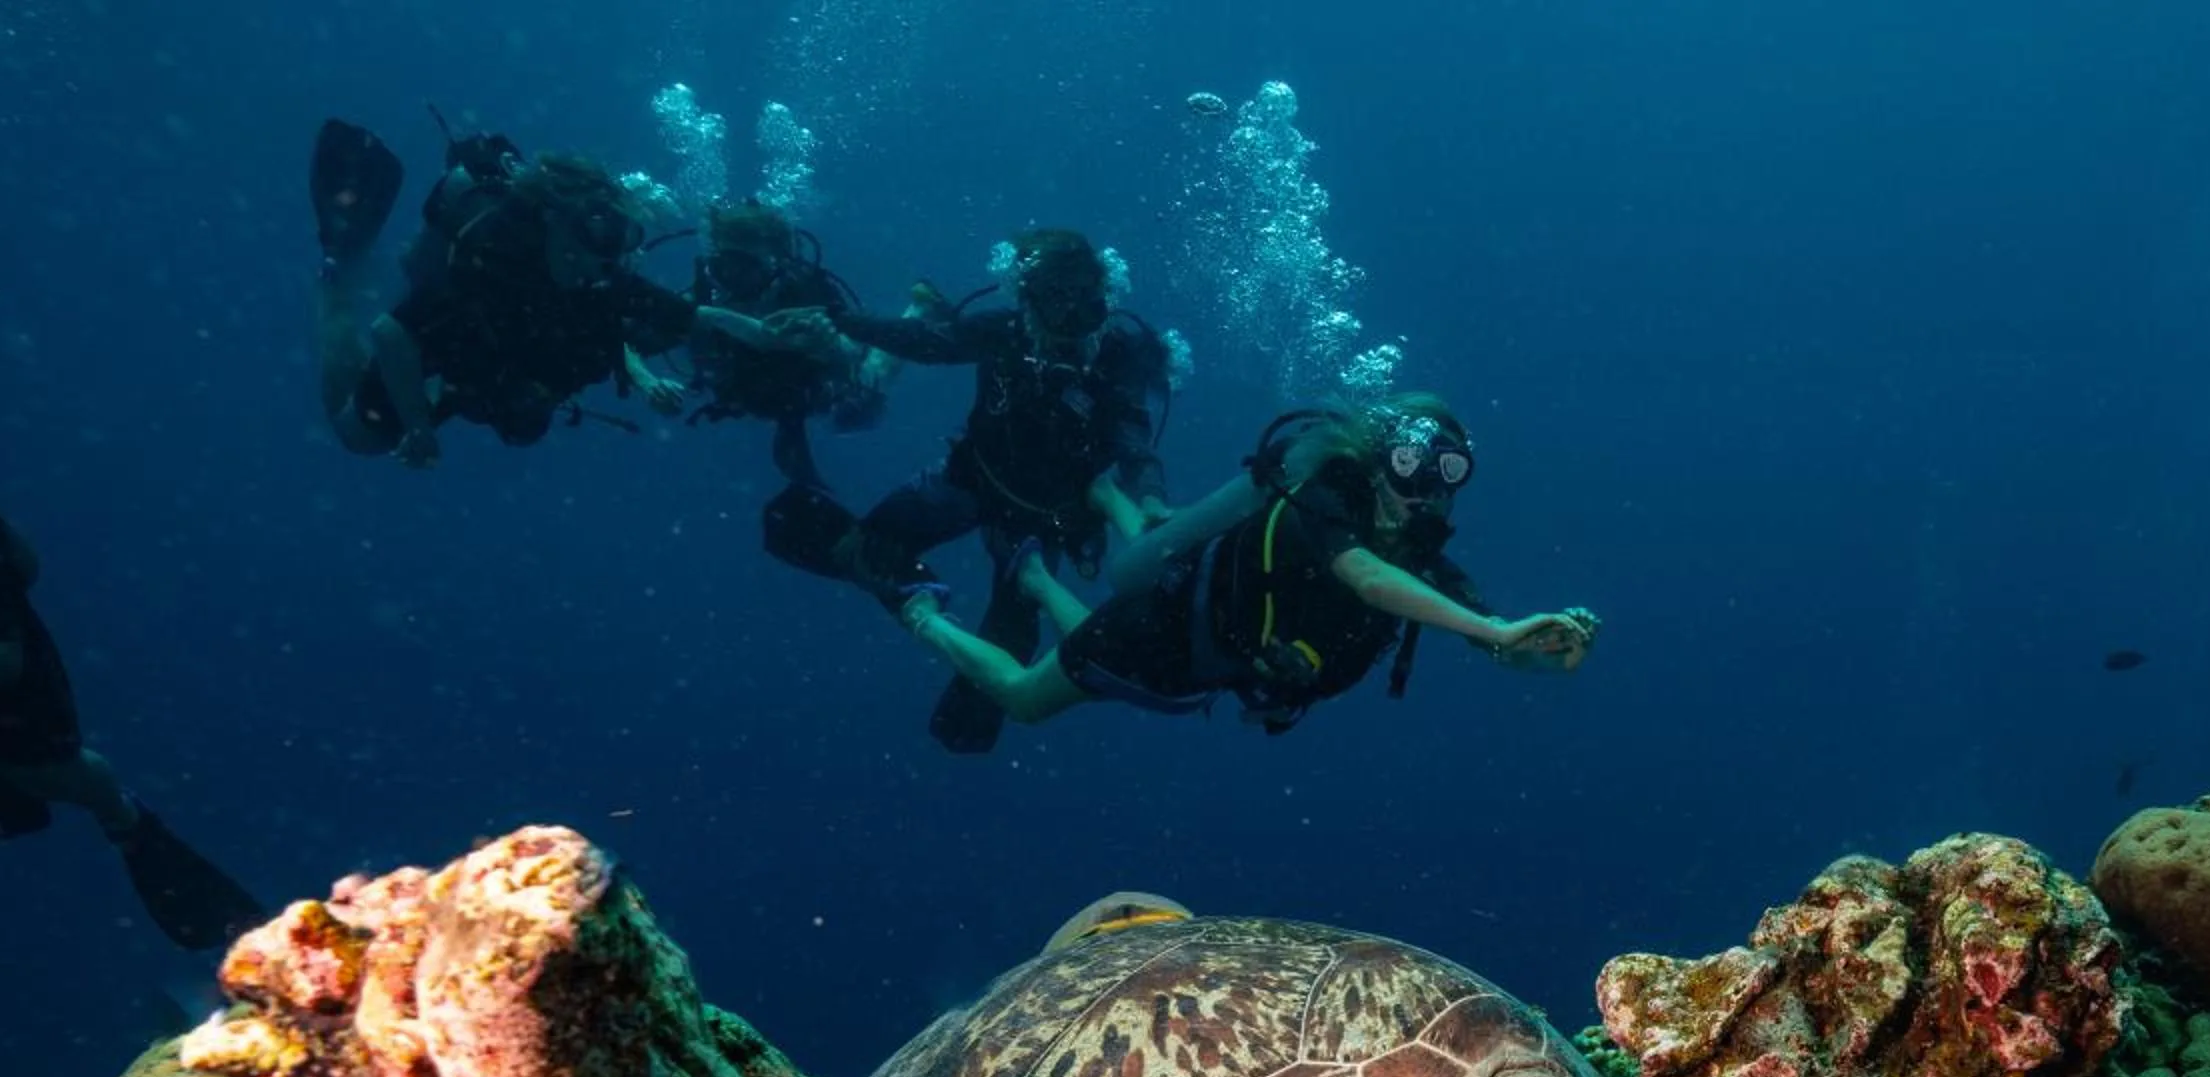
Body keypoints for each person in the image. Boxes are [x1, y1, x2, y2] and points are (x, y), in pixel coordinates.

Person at [897, 398, 1596, 741]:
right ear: (1375, 459)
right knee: (1026, 698)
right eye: (1407, 466)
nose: (1420, 491)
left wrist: (1531, 646)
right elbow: (1366, 578)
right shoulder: (1324, 500)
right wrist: (1493, 630)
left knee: (1101, 671)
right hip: (1153, 634)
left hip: (1202, 674)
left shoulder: (1420, 558)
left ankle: (1038, 576)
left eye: (1445, 476)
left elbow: (1491, 636)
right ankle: (924, 613)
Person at [756, 228, 1176, 751]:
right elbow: (927, 342)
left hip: (1046, 517)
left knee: (997, 667)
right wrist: (839, 319)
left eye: (1085, 300)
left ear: (1104, 296)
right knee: (856, 543)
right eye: (1055, 299)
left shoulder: (1118, 356)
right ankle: (919, 597)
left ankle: (953, 687)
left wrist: (1152, 497)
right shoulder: (1005, 331)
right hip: (971, 477)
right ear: (1027, 299)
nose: (1071, 318)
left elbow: (1133, 436)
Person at [0, 458, 263, 950]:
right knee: (24, 778)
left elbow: (3, 644)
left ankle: (129, 824)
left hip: (6, 690)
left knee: (37, 771)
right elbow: (22, 563)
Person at [308, 116, 700, 463]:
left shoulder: (594, 273)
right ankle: (336, 274)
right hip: (460, 334)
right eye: (595, 235)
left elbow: (615, 329)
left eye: (621, 239)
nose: (604, 257)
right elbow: (390, 333)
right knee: (359, 435)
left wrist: (648, 381)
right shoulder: (495, 263)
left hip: (488, 356)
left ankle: (351, 267)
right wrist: (417, 428)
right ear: (554, 219)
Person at [677, 201, 897, 490]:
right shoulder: (701, 297)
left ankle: (918, 311)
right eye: (723, 266)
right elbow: (636, 333)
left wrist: (830, 343)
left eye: (747, 267)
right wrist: (647, 380)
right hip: (746, 394)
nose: (733, 278)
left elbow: (853, 351)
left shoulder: (805, 290)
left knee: (862, 399)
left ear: (778, 261)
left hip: (810, 392)